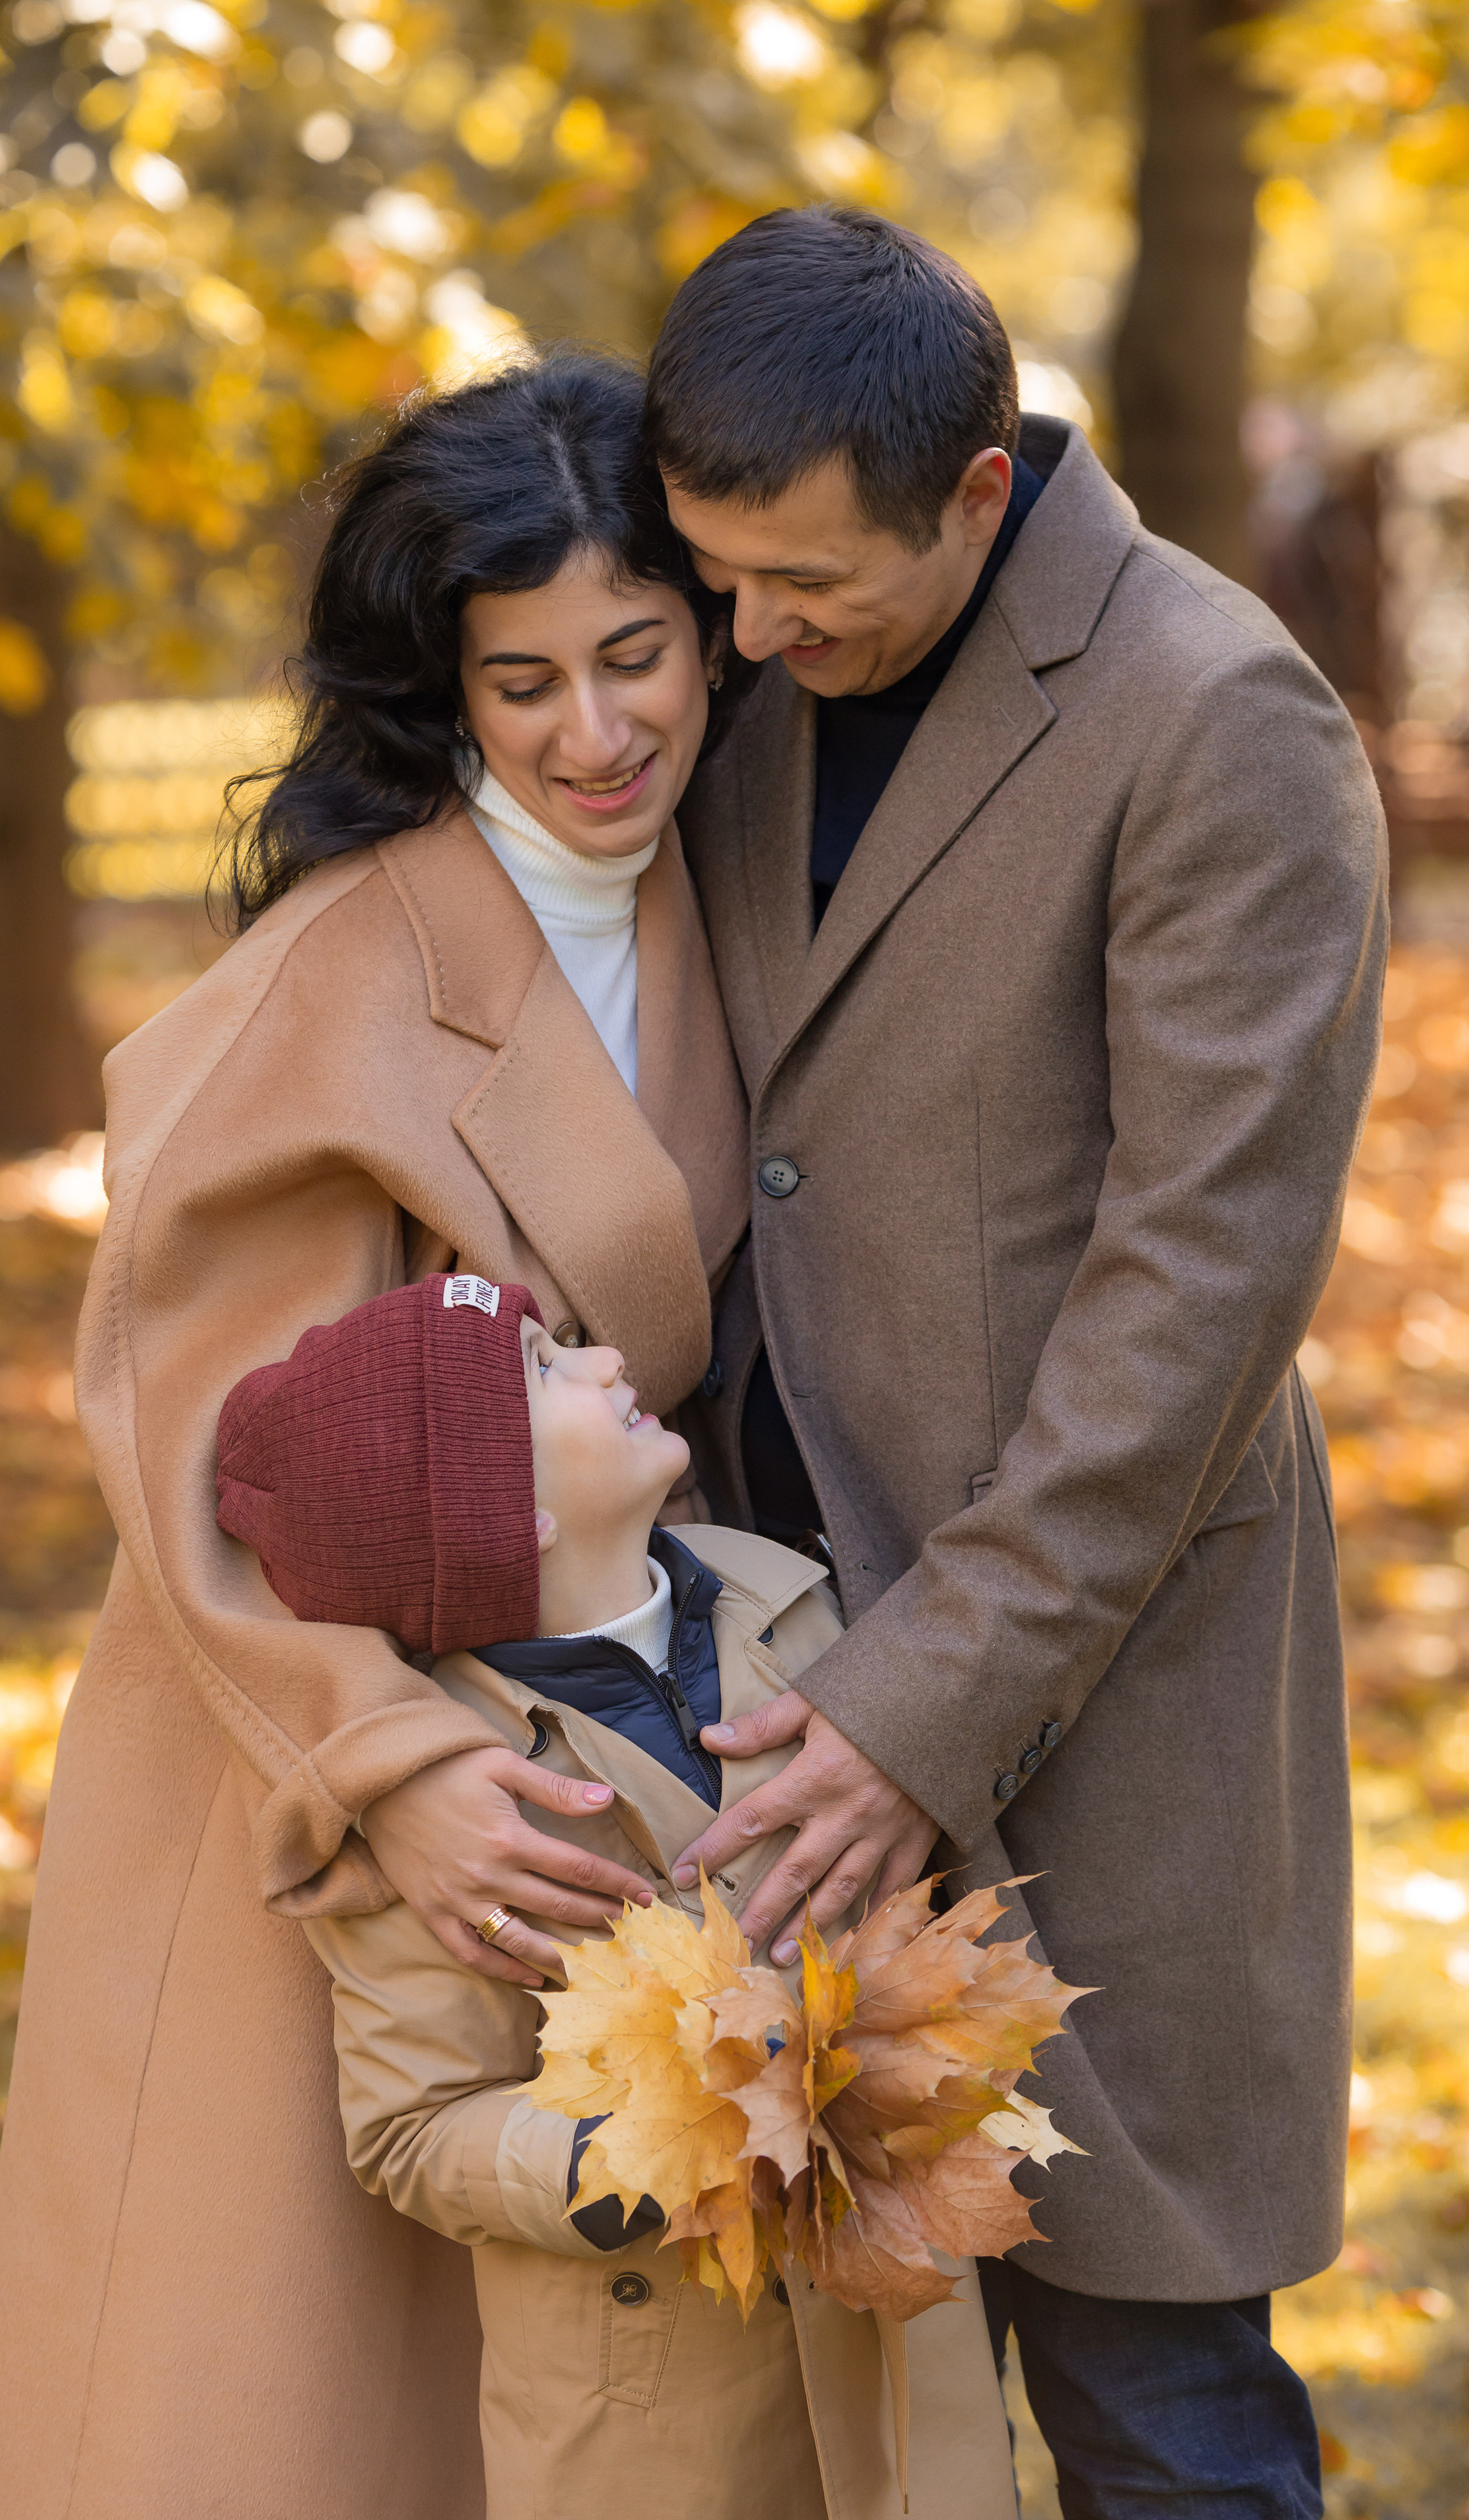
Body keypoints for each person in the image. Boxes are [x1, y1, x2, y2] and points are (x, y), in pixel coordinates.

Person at [0, 356, 923, 2519]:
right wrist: (394, 1773)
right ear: (440, 687)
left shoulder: (721, 883)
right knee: (299, 2393)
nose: (596, 732)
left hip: (608, 1684)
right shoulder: (340, 979)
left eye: (636, 654)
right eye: (523, 679)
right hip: (319, 1736)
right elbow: (198, 1436)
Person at [640, 207, 1387, 2517]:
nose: (740, 638)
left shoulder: (1220, 714)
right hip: (766, 1671)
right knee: (852, 2420)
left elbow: (1198, 1289)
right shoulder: (765, 660)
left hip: (1099, 1686)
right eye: (719, 574)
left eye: (800, 588)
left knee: (1155, 2401)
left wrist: (919, 1704)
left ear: (977, 492)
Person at [211, 1266, 1022, 2520]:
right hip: (652, 2394)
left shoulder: (809, 1611)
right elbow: (413, 2128)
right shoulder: (443, 1814)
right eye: (546, 1371)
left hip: (891, 2326)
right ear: (504, 1516)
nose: (600, 1362)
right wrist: (643, 2154)